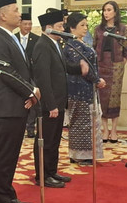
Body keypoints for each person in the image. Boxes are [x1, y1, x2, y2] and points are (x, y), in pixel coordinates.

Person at [0, 0, 38, 203]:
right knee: (4, 155)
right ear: (3, 15)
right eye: (15, 10)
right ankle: (1, 200)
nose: (20, 13)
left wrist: (32, 90)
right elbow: (5, 72)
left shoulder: (10, 36)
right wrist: (31, 91)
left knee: (13, 153)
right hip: (7, 106)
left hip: (19, 104)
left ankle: (9, 193)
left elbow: (24, 69)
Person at [31, 10, 87, 187]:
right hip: (50, 104)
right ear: (48, 28)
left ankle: (52, 171)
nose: (63, 29)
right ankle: (43, 175)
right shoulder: (42, 46)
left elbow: (63, 68)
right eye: (60, 26)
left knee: (54, 140)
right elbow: (43, 78)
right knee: (45, 141)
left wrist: (79, 68)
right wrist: (51, 104)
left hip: (59, 102)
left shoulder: (56, 43)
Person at [64, 12, 106, 165]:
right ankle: (80, 155)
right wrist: (97, 80)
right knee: (81, 123)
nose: (85, 28)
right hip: (78, 90)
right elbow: (84, 68)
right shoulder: (71, 46)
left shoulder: (81, 43)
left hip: (87, 88)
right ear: (72, 28)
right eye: (82, 25)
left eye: (86, 25)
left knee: (88, 122)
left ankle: (83, 155)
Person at [94, 0, 127, 143]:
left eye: (109, 10)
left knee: (114, 98)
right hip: (101, 65)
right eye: (104, 10)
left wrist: (120, 64)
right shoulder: (98, 29)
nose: (106, 13)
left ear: (115, 12)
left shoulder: (123, 29)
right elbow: (94, 47)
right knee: (101, 97)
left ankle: (114, 130)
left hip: (116, 66)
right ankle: (105, 129)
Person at [15, 12, 40, 138]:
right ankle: (20, 125)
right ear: (19, 24)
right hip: (17, 75)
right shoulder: (13, 38)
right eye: (25, 24)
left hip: (32, 75)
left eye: (30, 24)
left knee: (33, 100)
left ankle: (31, 127)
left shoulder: (36, 39)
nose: (28, 26)